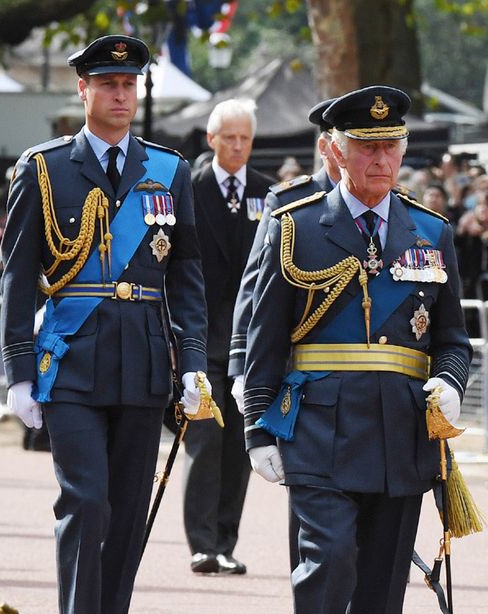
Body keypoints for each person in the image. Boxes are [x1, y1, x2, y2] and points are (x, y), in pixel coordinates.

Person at [242, 85, 471, 612]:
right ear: (335, 151)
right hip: (319, 431)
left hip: (401, 434)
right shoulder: (294, 227)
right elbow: (266, 342)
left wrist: (451, 381)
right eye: (367, 146)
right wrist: (256, 429)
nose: (381, 158)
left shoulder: (430, 232)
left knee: (382, 587)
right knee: (330, 561)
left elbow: (452, 337)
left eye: (391, 145)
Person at [0, 35, 208, 614]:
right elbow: (18, 277)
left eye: (129, 85)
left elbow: (186, 276)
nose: (121, 95)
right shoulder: (43, 169)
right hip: (71, 361)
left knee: (125, 513)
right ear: (83, 88)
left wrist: (191, 362)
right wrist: (18, 372)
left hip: (142, 365)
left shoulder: (169, 171)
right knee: (86, 502)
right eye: (109, 84)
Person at [227, 97, 340, 577]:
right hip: (300, 370)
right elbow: (254, 290)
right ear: (327, 148)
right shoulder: (287, 200)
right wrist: (240, 367)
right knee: (311, 515)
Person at [182, 98, 274, 575]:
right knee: (204, 444)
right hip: (200, 338)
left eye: (245, 138)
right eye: (229, 137)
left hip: (248, 345)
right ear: (212, 139)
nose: (238, 146)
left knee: (240, 448)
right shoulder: (190, 190)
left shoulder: (268, 194)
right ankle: (201, 542)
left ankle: (225, 541)